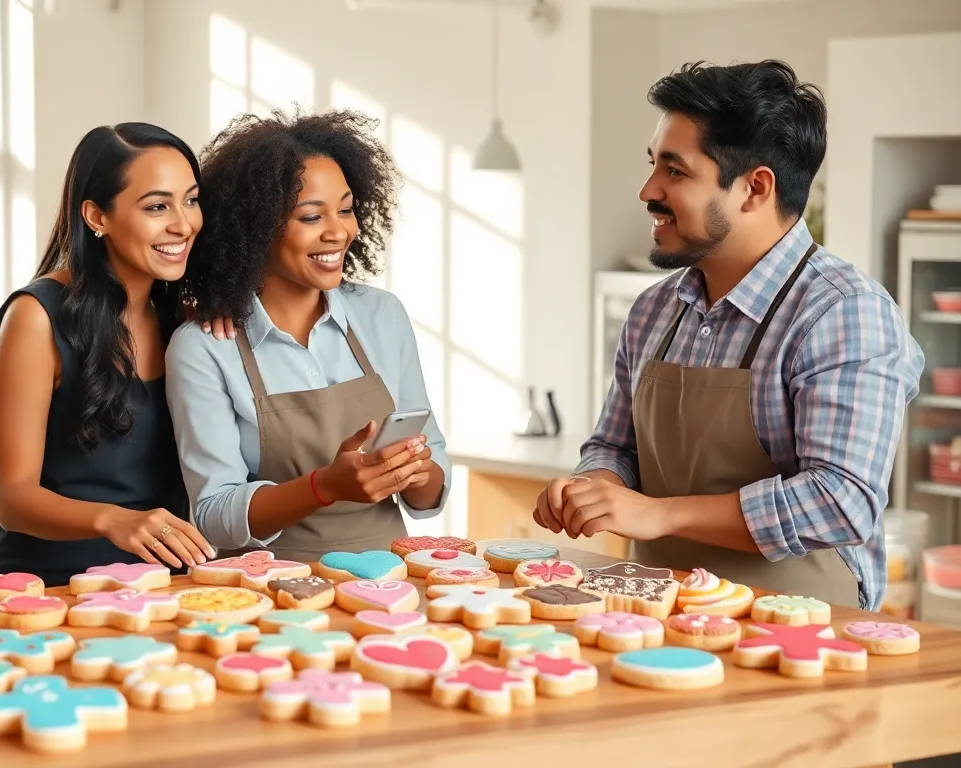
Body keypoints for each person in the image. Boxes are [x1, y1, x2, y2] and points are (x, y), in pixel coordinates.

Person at [533, 60, 924, 610]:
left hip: (796, 635)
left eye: (676, 170)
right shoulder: (653, 311)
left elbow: (841, 502)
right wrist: (596, 486)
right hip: (654, 617)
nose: (648, 189)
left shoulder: (843, 312)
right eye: (653, 165)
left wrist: (657, 513)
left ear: (754, 188)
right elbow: (615, 446)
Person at [167, 110, 451, 563]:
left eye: (345, 209)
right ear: (257, 228)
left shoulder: (382, 316)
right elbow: (213, 513)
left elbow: (430, 486)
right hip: (266, 592)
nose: (339, 232)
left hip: (389, 583)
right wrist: (325, 486)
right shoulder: (204, 346)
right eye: (311, 216)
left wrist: (415, 471)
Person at [0, 123, 215, 591]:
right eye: (157, 206)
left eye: (191, 199)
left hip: (157, 589)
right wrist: (114, 520)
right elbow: (12, 498)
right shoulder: (36, 317)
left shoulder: (183, 322)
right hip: (45, 588)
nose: (183, 223)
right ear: (97, 216)